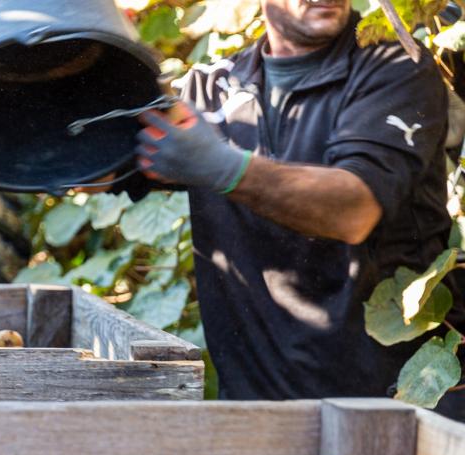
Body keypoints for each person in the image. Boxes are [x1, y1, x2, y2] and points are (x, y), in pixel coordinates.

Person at [133, 0, 463, 399]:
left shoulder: (395, 63)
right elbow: (91, 167)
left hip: (387, 405)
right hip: (255, 407)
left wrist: (224, 168)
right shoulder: (211, 90)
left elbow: (353, 210)